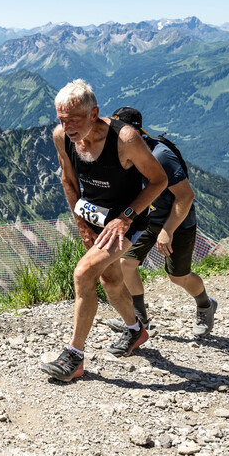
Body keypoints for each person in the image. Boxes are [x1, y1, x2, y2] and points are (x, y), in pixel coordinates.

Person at [40, 80, 168, 383]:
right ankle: (136, 330)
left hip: (126, 222)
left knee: (83, 273)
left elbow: (159, 181)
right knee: (110, 281)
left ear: (94, 112)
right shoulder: (62, 137)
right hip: (94, 220)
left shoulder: (125, 138)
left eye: (74, 119)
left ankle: (74, 356)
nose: (67, 126)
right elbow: (68, 182)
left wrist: (124, 218)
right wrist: (82, 225)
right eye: (61, 119)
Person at [102, 107, 218, 338]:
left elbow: (186, 196)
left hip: (177, 220)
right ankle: (139, 318)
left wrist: (168, 230)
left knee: (178, 276)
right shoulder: (126, 153)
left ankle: (205, 305)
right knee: (126, 262)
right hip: (147, 217)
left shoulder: (161, 155)